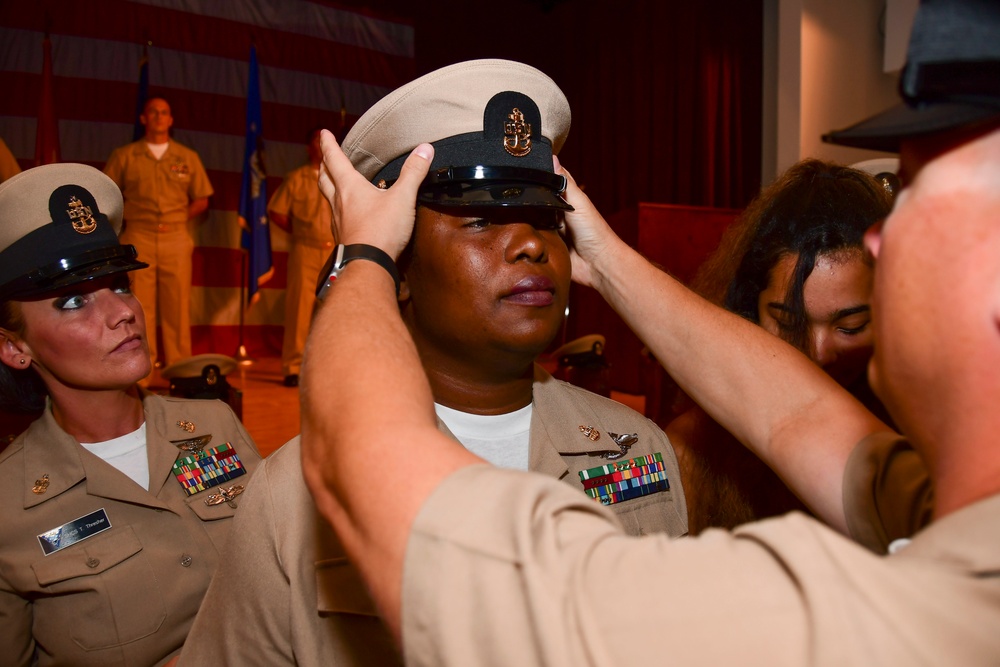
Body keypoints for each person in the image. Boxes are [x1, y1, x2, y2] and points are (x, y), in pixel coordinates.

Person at [300, 0, 1000, 663]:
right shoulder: (954, 516)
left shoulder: (894, 618)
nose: (877, 238)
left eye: (906, 190)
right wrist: (601, 257)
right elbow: (797, 413)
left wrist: (361, 259)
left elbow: (381, 479)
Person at [178, 60, 687, 666]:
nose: (531, 244)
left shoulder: (638, 448)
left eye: (547, 219)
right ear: (398, 267)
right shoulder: (292, 496)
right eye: (480, 219)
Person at [0, 163, 261, 666]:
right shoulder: (10, 505)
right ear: (14, 348)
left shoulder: (214, 426)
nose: (122, 312)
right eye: (73, 301)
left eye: (119, 285)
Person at [667, 159, 893, 533]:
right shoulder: (693, 451)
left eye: (852, 326)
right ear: (747, 311)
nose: (819, 351)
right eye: (789, 323)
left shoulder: (927, 438)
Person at [103, 97, 213, 369]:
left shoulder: (186, 157)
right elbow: (107, 196)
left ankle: (180, 370)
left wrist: (177, 220)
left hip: (175, 236)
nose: (159, 117)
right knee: (139, 307)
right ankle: (142, 370)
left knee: (178, 307)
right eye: (153, 112)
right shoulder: (125, 155)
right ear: (143, 118)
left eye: (164, 112)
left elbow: (202, 198)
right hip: (139, 236)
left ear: (171, 119)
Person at [267, 127, 335, 387]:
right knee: (299, 310)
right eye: (316, 140)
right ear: (309, 147)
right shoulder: (296, 178)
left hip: (333, 250)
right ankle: (293, 367)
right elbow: (277, 212)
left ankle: (327, 366)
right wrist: (298, 233)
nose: (321, 145)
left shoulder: (340, 178)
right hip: (304, 249)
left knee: (331, 309)